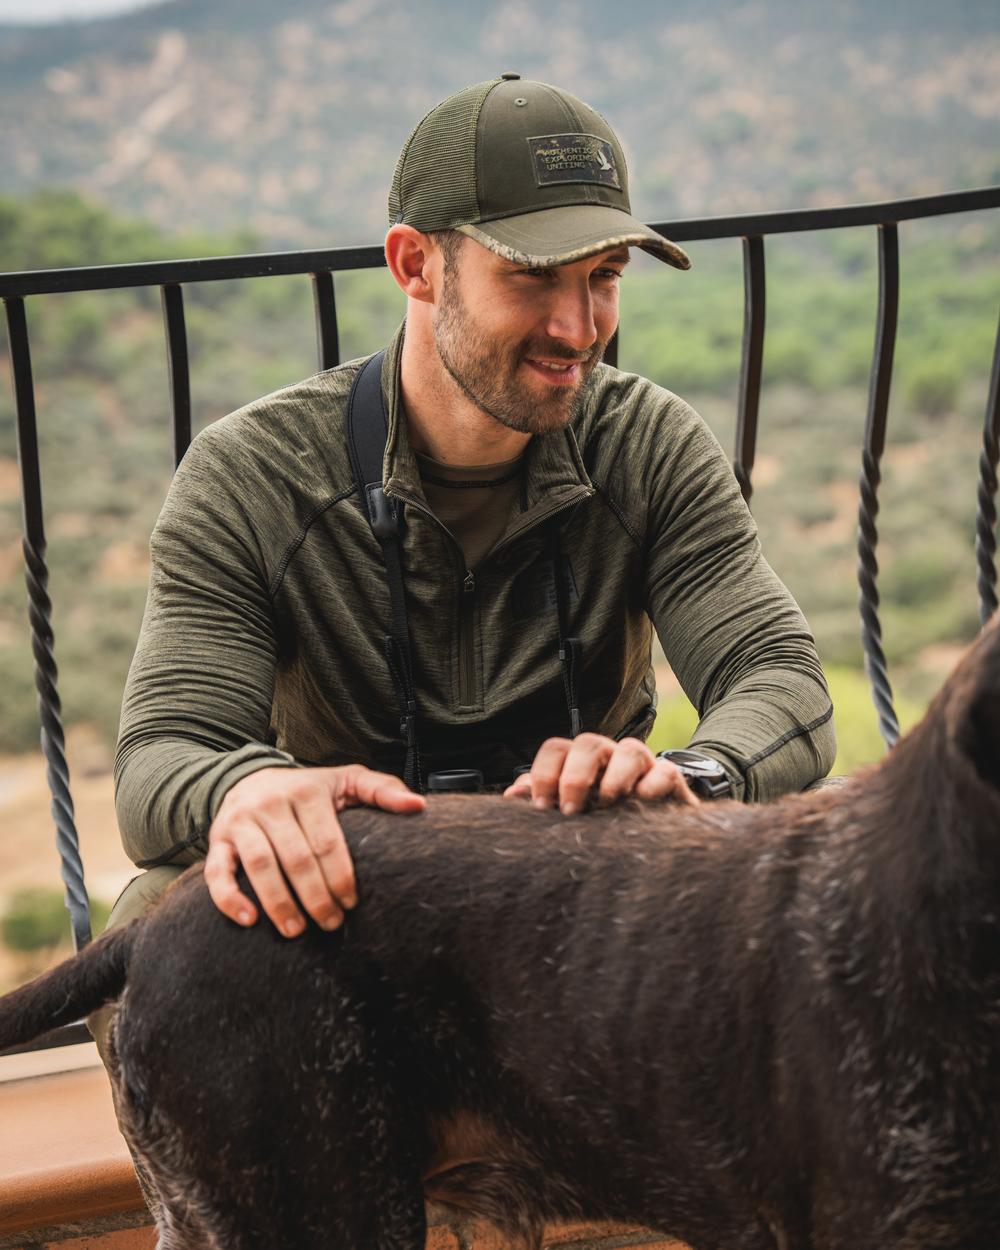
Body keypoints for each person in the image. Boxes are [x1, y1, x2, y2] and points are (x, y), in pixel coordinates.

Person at [96, 73, 835, 999]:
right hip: (352, 909)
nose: (579, 329)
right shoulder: (251, 473)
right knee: (157, 920)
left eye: (604, 278)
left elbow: (782, 682)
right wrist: (245, 790)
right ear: (415, 266)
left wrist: (689, 775)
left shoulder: (649, 443)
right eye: (532, 279)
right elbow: (162, 759)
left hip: (590, 894)